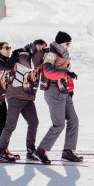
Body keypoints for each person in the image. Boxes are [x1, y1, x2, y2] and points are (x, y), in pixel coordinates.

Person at [0, 39, 47, 162]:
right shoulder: (23, 55)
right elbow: (31, 66)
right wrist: (41, 53)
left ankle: (31, 151)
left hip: (28, 97)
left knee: (34, 122)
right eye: (42, 48)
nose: (42, 51)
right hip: (16, 96)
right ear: (36, 46)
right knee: (10, 125)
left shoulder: (34, 55)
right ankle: (1, 152)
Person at [34, 31, 81, 164]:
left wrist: (70, 88)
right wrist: (66, 72)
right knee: (59, 124)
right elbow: (48, 72)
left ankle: (68, 151)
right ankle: (41, 150)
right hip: (53, 91)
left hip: (64, 92)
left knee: (73, 120)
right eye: (67, 44)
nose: (68, 47)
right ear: (60, 43)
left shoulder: (62, 55)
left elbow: (65, 75)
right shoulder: (51, 54)